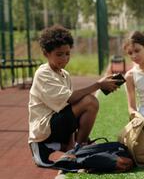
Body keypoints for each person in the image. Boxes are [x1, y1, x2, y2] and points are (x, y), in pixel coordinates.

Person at [29, 25, 119, 167]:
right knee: (89, 102)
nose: (64, 58)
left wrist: (71, 145)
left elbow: (69, 107)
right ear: (46, 53)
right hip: (44, 129)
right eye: (59, 54)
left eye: (67, 54)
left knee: (87, 102)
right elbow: (69, 99)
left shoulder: (64, 75)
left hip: (58, 125)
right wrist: (98, 85)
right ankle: (76, 148)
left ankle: (76, 147)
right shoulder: (43, 73)